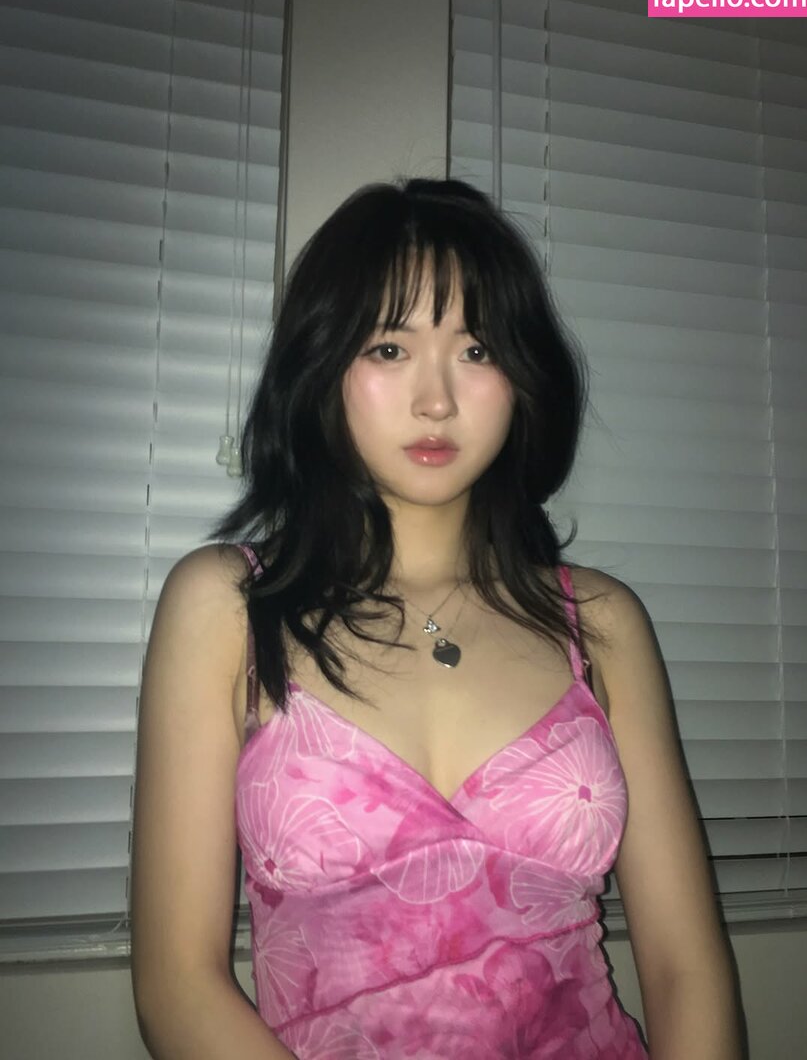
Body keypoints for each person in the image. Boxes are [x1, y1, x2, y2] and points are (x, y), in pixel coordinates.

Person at [130, 178, 743, 1059]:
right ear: (322, 364)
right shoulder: (225, 608)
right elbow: (176, 985)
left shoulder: (602, 622)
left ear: (522, 376)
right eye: (388, 347)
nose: (436, 401)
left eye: (476, 349)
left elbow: (687, 968)